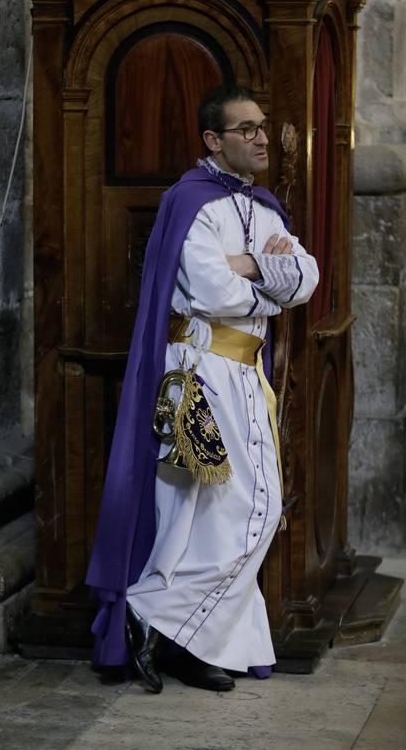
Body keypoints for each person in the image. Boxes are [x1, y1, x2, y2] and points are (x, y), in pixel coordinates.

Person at [86, 83, 319, 693]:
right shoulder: (189, 204)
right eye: (246, 129)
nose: (262, 137)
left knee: (237, 516)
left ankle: (187, 640)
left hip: (249, 373)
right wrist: (262, 273)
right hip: (203, 375)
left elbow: (306, 280)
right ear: (214, 141)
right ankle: (151, 613)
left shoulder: (265, 208)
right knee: (224, 513)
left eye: (263, 125)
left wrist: (254, 269)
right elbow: (219, 294)